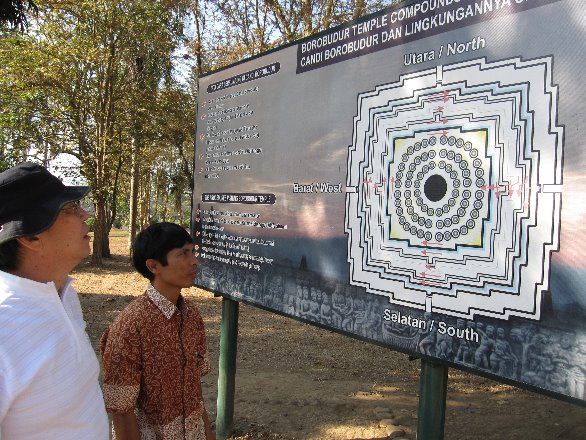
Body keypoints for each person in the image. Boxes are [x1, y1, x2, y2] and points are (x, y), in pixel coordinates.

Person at [0, 162, 109, 439]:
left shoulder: (63, 293)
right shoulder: (5, 326)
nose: (85, 214)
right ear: (30, 236)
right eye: (70, 208)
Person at [101, 222, 215, 440]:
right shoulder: (130, 325)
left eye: (193, 252)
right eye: (182, 254)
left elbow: (194, 388)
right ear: (153, 266)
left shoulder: (191, 314)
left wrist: (208, 434)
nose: (194, 261)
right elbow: (121, 410)